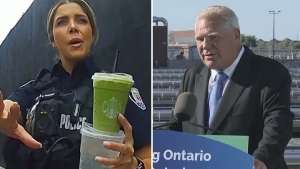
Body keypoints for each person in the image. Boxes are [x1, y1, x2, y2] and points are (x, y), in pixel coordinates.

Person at [0, 0, 151, 169]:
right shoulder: (34, 89)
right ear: (53, 40)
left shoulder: (117, 88)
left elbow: (151, 158)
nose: (73, 27)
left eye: (81, 20)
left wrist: (135, 165)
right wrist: (3, 116)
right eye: (62, 22)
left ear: (92, 33)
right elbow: (8, 109)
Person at [168, 5, 294, 169]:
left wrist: (261, 159)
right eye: (199, 39)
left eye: (213, 37)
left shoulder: (270, 74)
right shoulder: (192, 75)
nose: (205, 45)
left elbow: (278, 124)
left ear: (236, 36)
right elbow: (176, 124)